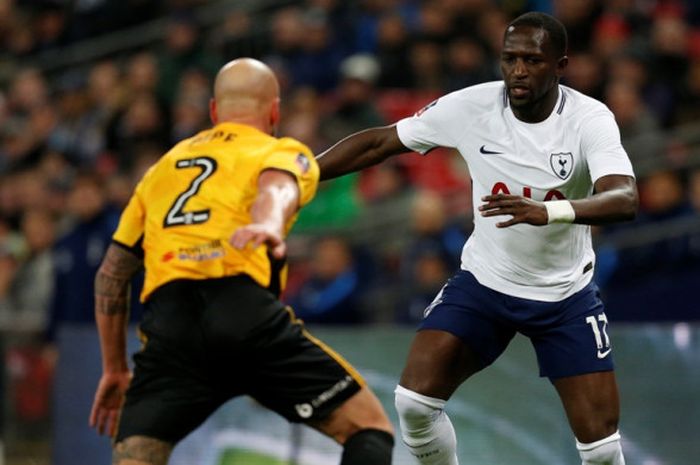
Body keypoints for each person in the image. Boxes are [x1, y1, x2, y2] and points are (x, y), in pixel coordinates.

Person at [317, 12, 638, 465]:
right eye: (509, 59)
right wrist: (303, 173)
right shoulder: (472, 106)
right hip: (485, 284)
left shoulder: (589, 119)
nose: (519, 71)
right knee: (413, 402)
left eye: (532, 60)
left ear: (560, 65)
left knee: (602, 452)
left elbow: (624, 197)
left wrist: (547, 212)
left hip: (565, 294)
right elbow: (379, 143)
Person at [89, 58, 394, 465]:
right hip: (241, 315)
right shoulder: (280, 150)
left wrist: (113, 367)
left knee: (137, 455)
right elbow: (278, 187)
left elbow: (111, 274)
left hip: (169, 327)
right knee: (368, 428)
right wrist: (267, 222)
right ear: (274, 111)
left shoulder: (161, 169)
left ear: (214, 112)